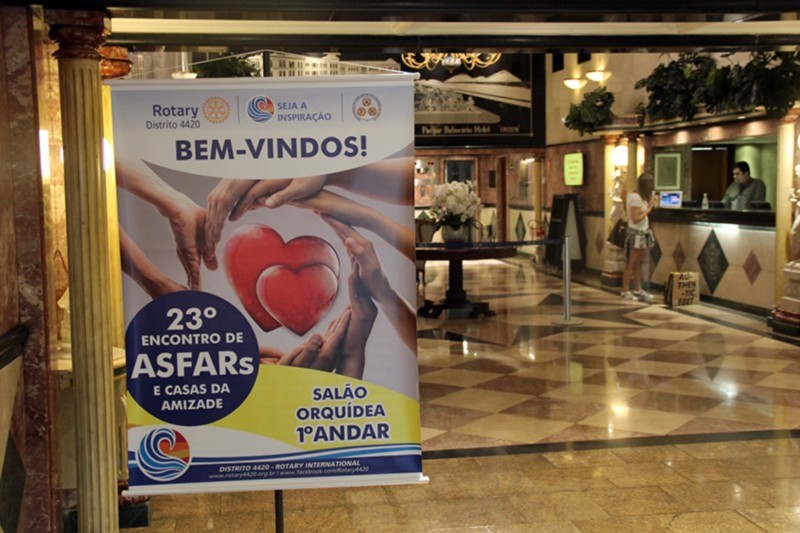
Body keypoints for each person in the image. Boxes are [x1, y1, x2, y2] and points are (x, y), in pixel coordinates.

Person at [622, 173, 657, 303]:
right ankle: (625, 290)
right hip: (636, 233)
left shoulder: (637, 195)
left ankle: (638, 289)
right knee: (631, 262)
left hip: (643, 232)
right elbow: (635, 219)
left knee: (639, 262)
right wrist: (648, 210)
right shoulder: (636, 198)